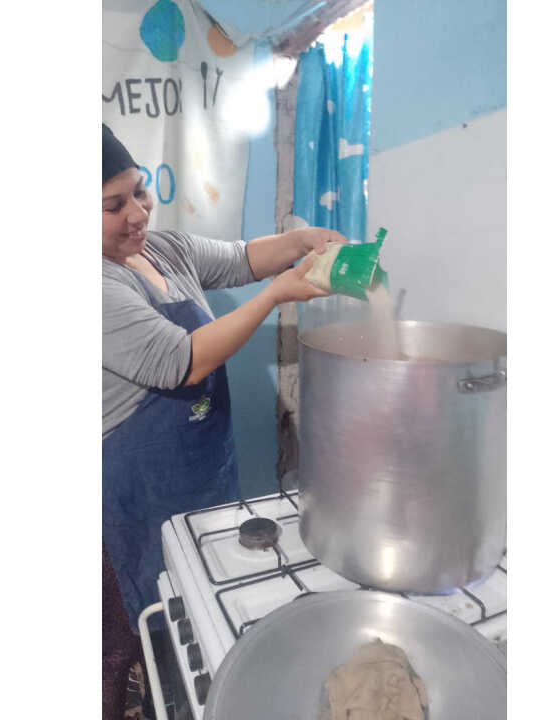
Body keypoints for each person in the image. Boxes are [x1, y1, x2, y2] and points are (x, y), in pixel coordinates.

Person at [101, 124, 342, 634]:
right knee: (164, 623)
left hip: (204, 467)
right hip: (140, 490)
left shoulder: (164, 249)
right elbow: (182, 361)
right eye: (113, 206)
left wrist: (301, 240)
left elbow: (241, 258)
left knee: (212, 597)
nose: (138, 213)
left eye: (140, 191)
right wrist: (275, 295)